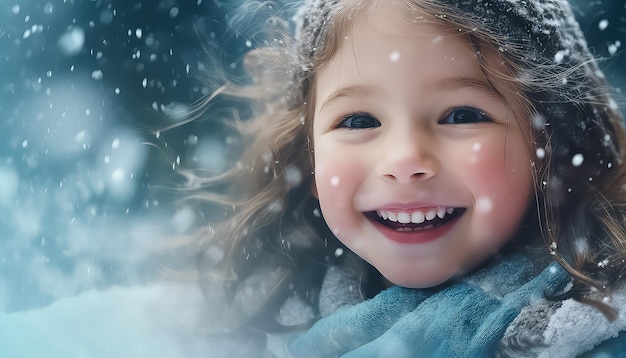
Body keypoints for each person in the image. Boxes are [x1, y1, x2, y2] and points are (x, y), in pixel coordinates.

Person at [188, 0, 626, 356]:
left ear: (550, 146)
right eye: (358, 121)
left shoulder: (604, 332)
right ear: (310, 159)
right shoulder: (240, 325)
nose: (403, 159)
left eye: (461, 115)